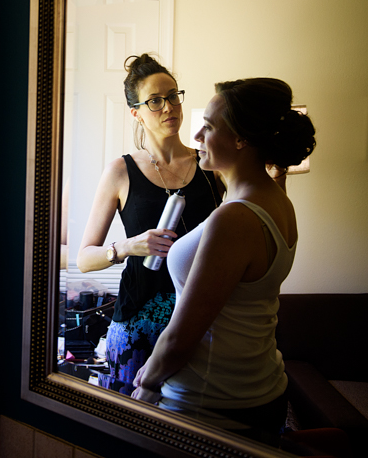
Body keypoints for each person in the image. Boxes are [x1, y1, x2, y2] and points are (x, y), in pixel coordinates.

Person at [131, 78, 315, 446]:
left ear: (241, 139)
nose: (197, 134)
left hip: (209, 402)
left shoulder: (234, 219)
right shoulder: (277, 201)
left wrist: (146, 385)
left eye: (210, 126)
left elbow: (183, 336)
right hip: (259, 385)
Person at [76, 54, 223, 395]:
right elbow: (84, 259)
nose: (169, 106)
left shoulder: (210, 166)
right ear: (136, 113)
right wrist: (127, 246)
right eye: (155, 101)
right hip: (137, 323)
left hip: (200, 321)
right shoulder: (120, 171)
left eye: (173, 95)